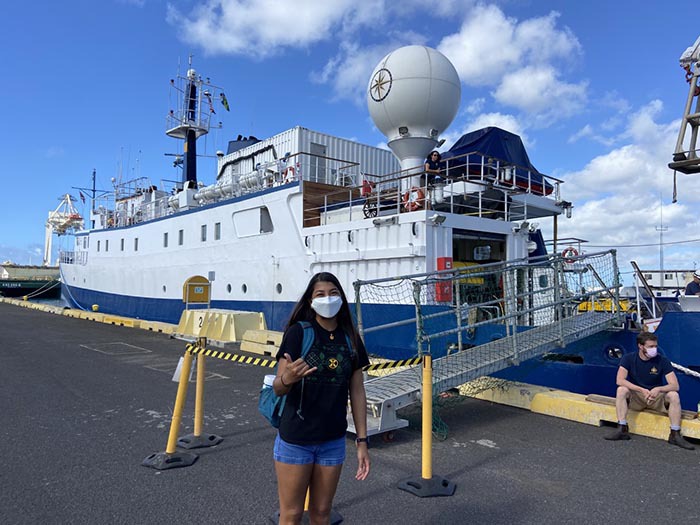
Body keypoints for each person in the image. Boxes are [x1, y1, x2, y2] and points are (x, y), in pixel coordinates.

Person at [273, 272, 370, 524]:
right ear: (310, 301)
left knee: (322, 513)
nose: (327, 299)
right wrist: (288, 378)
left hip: (332, 440)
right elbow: (277, 387)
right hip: (296, 438)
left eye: (333, 293)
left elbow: (357, 391)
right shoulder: (298, 333)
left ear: (342, 298)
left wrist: (361, 441)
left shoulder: (351, 338)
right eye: (320, 294)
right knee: (291, 514)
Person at [605, 332, 694, 449]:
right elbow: (620, 380)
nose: (654, 349)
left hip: (656, 398)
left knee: (674, 395)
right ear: (641, 346)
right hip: (637, 397)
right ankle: (622, 428)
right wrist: (640, 389)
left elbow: (675, 385)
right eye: (651, 347)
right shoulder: (628, 359)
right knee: (621, 390)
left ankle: (675, 434)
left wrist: (659, 389)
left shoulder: (662, 361)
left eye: (655, 346)